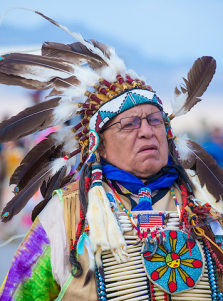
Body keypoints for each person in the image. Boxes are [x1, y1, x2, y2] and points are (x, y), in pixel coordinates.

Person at [0, 11, 223, 301]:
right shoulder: (67, 214)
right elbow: (18, 295)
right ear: (99, 146)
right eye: (129, 124)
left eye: (155, 121)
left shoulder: (206, 203)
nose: (146, 132)